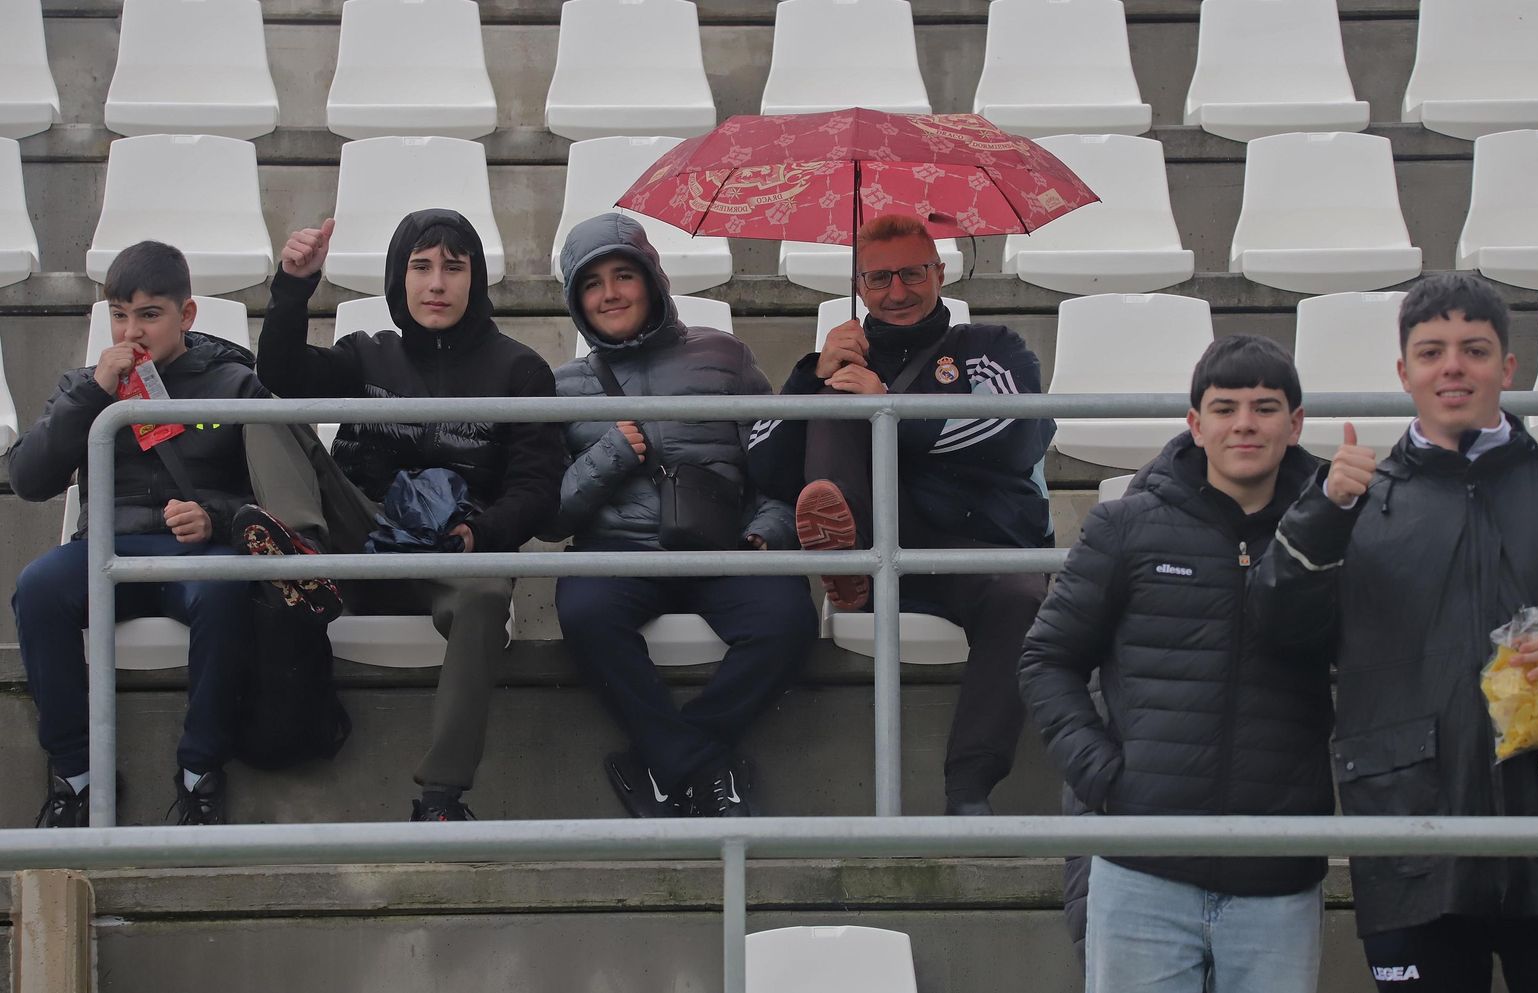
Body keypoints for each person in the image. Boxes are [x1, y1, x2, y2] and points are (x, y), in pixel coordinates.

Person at [1257, 273, 1538, 993]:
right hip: (1411, 835)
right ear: (1403, 371)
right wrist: (1320, 512)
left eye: (1474, 349)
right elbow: (1278, 629)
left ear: (1508, 368)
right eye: (1432, 350)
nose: (1453, 366)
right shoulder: (1354, 501)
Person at [1018, 335, 1334, 993]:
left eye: (1265, 406)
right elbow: (1048, 657)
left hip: (1277, 875)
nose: (1244, 422)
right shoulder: (1126, 527)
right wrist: (1100, 771)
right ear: (1195, 423)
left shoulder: (1336, 532)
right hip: (1143, 869)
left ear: (1296, 422)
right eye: (1224, 407)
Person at [249, 208, 565, 822]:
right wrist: (293, 284)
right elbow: (280, 373)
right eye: (421, 267)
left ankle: (442, 798)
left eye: (454, 267)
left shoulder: (520, 370)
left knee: (483, 599)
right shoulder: (366, 354)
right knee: (260, 408)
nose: (437, 284)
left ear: (475, 279)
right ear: (399, 278)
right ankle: (303, 557)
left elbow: (537, 485)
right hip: (361, 530)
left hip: (453, 546)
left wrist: (485, 532)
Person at [746, 213, 1053, 815]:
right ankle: (850, 556)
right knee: (835, 410)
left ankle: (970, 787)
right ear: (859, 285)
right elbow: (763, 463)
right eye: (880, 278)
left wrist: (891, 411)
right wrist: (815, 379)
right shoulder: (836, 360)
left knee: (1023, 596)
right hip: (883, 553)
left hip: (977, 548)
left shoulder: (991, 348)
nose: (897, 292)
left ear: (940, 273)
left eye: (913, 274)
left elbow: (1020, 434)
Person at [545, 213, 816, 817]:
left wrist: (767, 532)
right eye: (592, 284)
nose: (611, 294)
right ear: (575, 300)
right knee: (584, 615)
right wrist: (611, 455)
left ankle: (660, 760)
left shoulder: (726, 356)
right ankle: (704, 766)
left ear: (652, 279)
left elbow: (774, 461)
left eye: (623, 275)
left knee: (788, 620)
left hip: (722, 544)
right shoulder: (560, 388)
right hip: (616, 552)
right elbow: (552, 516)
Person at [10, 241, 264, 826]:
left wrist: (216, 516)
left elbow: (277, 494)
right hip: (105, 548)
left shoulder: (234, 385)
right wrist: (93, 394)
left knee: (226, 592)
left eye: (150, 315)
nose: (132, 332)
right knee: (38, 589)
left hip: (195, 553)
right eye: (119, 315)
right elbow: (28, 479)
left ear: (187, 315)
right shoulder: (83, 384)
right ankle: (75, 773)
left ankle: (200, 773)